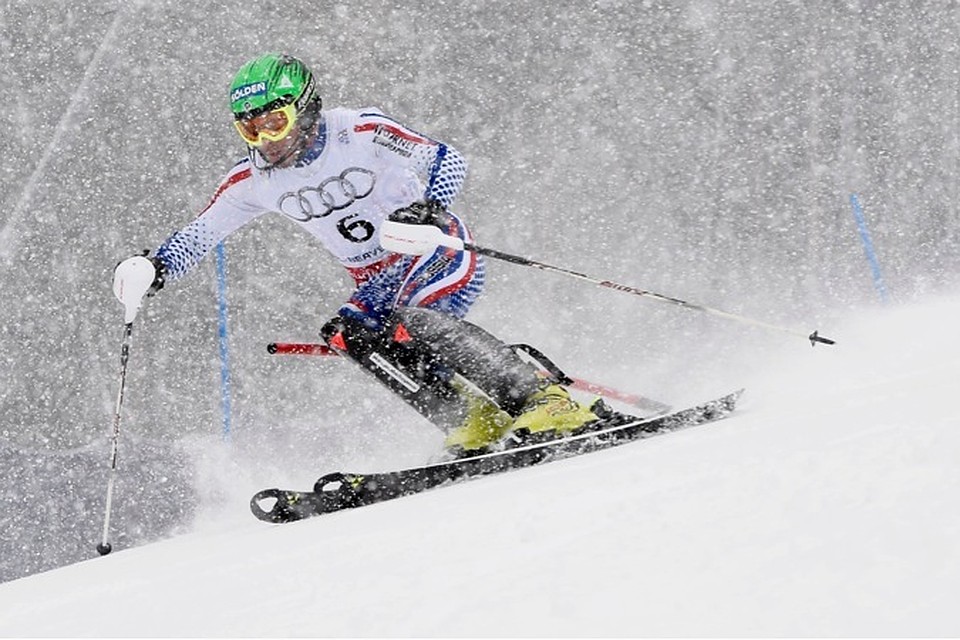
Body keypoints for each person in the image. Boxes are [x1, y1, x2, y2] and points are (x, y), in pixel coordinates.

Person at [113, 53, 604, 456]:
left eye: (276, 122)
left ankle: (545, 401)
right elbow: (200, 235)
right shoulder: (253, 181)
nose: (268, 141)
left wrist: (428, 210)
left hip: (432, 251)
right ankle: (473, 419)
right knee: (348, 334)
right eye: (252, 131)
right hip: (376, 279)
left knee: (415, 320)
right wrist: (155, 268)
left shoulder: (360, 131)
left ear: (304, 109)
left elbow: (446, 158)